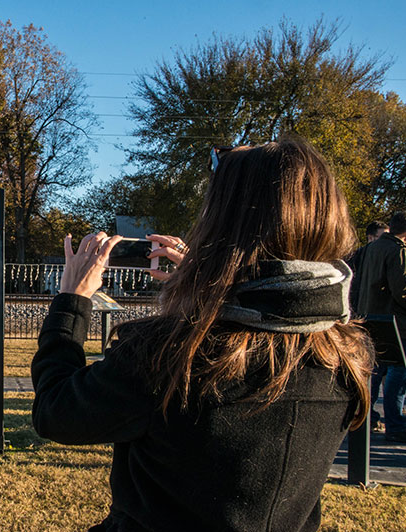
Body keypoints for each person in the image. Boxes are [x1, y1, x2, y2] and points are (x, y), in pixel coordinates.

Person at [32, 140, 372, 531]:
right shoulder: (346, 352)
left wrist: (72, 299)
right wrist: (203, 287)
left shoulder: (169, 353)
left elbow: (56, 413)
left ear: (223, 222)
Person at [357, 212, 406, 443]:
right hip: (395, 321)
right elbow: (401, 290)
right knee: (399, 371)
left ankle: (366, 417)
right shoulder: (397, 251)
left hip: (370, 315)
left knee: (374, 371)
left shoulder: (371, 249)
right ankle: (395, 423)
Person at [348, 220, 390, 432]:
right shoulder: (360, 256)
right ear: (371, 237)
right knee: (372, 368)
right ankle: (365, 413)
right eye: (383, 237)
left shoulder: (370, 256)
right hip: (361, 316)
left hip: (369, 315)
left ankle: (368, 414)